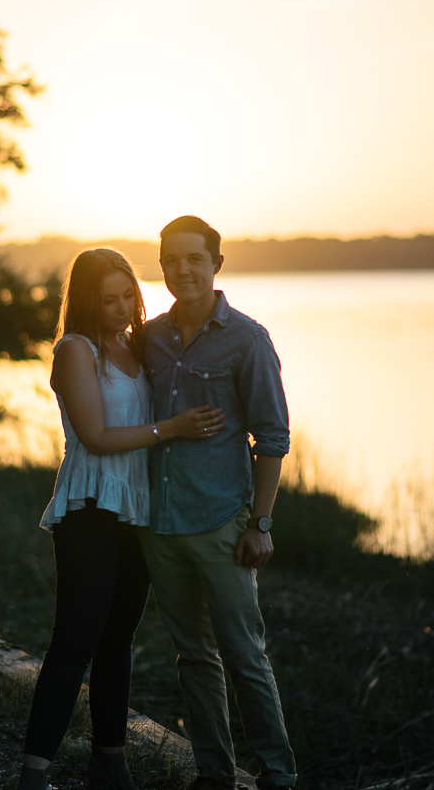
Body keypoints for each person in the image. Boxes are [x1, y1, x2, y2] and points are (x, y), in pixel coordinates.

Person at [17, 248, 224, 790]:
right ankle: (34, 773)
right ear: (88, 301)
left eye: (126, 295)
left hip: (138, 508)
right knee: (74, 640)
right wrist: (173, 428)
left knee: (117, 642)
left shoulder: (137, 343)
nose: (118, 307)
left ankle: (109, 763)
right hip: (90, 506)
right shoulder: (75, 349)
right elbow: (97, 436)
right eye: (106, 299)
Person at [139, 217, 297, 790]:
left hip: (222, 524)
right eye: (171, 260)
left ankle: (277, 774)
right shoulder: (149, 338)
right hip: (160, 526)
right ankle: (213, 775)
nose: (182, 270)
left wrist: (260, 523)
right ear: (161, 267)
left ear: (216, 265)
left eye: (194, 260)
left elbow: (273, 439)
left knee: (244, 655)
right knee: (193, 657)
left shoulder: (248, 340)